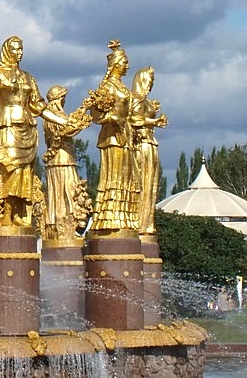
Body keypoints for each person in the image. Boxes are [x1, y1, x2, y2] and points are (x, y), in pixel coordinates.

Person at [0, 36, 64, 229]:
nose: (19, 53)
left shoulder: (28, 77)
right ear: (6, 51)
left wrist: (64, 120)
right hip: (8, 127)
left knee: (23, 172)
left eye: (21, 49)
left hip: (28, 129)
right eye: (15, 49)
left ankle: (18, 211)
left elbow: (39, 107)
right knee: (9, 167)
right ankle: (6, 213)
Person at [85, 40, 141, 233]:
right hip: (112, 137)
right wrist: (111, 117)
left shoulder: (124, 88)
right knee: (114, 175)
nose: (128, 66)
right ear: (116, 64)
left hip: (126, 135)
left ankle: (124, 217)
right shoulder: (107, 87)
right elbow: (95, 114)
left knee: (127, 176)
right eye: (125, 62)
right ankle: (109, 217)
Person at [41, 85, 92, 241]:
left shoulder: (55, 115)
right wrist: (84, 117)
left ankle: (67, 226)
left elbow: (70, 122)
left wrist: (84, 108)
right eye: (63, 98)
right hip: (61, 161)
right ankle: (63, 227)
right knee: (70, 194)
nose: (64, 101)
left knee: (68, 195)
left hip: (63, 160)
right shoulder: (52, 116)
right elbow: (68, 128)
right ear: (58, 99)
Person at [130, 65, 166, 235]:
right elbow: (134, 120)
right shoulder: (136, 98)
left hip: (150, 143)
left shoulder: (144, 100)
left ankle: (147, 222)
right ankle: (140, 223)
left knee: (151, 185)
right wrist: (154, 121)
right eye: (150, 80)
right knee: (143, 184)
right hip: (142, 145)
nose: (151, 84)